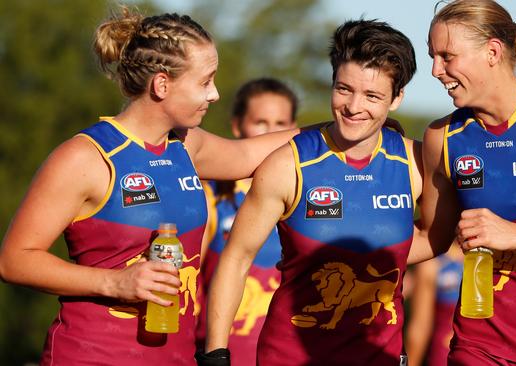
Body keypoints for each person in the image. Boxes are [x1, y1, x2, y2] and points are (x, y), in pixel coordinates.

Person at [0, 7, 304, 365]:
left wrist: (344, 128)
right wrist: (115, 283)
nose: (215, 94)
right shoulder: (86, 157)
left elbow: (249, 154)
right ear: (162, 84)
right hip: (92, 356)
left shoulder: (186, 145)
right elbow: (14, 261)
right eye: (205, 82)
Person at [201, 19, 421, 366]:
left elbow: (440, 235)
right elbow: (236, 257)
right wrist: (215, 352)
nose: (353, 106)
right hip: (289, 355)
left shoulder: (414, 162)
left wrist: (357, 255)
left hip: (379, 355)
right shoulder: (288, 164)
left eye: (373, 95)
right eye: (344, 88)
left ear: (397, 98)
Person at [415, 0, 516, 364]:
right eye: (433, 56)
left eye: (447, 56)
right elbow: (431, 237)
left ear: (493, 52)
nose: (436, 70)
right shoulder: (443, 136)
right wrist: (339, 253)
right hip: (480, 342)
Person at [196, 78, 298, 363]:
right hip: (224, 354)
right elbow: (186, 287)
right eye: (261, 122)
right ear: (237, 126)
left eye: (281, 124)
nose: (271, 133)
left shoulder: (308, 198)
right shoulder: (212, 196)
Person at [404, 243, 463, 366]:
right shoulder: (433, 263)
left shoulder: (500, 255)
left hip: (492, 354)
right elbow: (420, 326)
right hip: (445, 355)